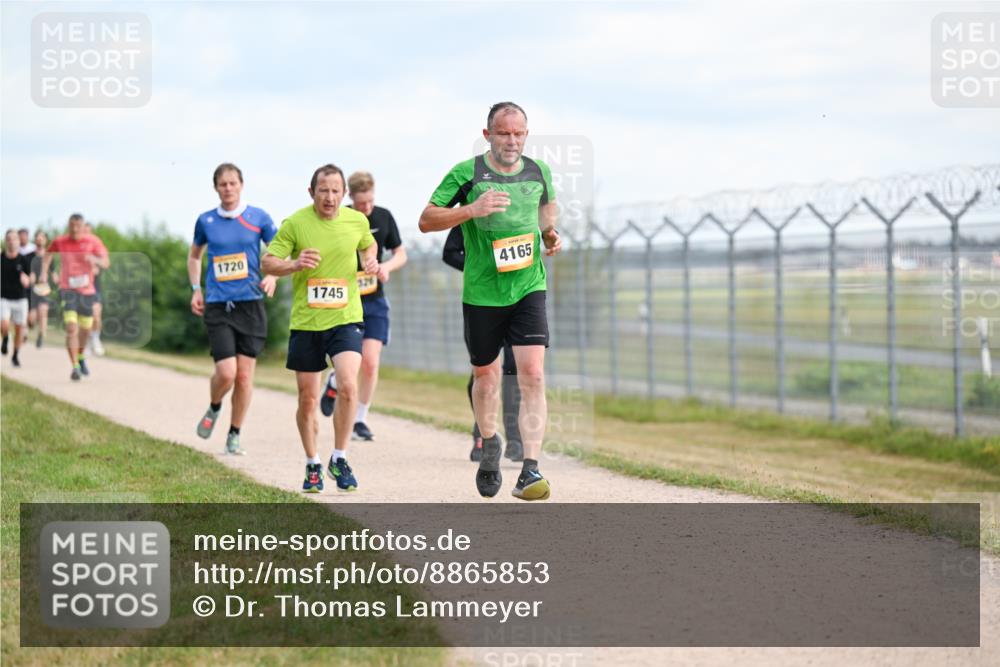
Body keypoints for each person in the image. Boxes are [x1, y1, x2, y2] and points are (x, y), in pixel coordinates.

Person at [419, 101, 561, 501]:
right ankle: (490, 442)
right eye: (504, 133)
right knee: (487, 377)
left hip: (529, 285)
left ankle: (530, 470)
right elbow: (426, 219)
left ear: (526, 135)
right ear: (488, 135)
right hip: (482, 292)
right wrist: (471, 210)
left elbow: (546, 211)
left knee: (532, 374)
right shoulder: (466, 174)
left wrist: (550, 236)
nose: (512, 141)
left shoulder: (539, 172)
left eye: (519, 133)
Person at [262, 164, 378, 493]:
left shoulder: (356, 220)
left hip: (345, 317)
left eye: (335, 191)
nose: (329, 197)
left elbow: (368, 244)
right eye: (323, 190)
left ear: (344, 194)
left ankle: (339, 458)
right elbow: (268, 262)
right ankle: (313, 462)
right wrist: (295, 264)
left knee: (347, 385)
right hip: (307, 321)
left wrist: (369, 258)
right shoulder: (295, 224)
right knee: (307, 399)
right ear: (311, 192)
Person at [189, 163, 279, 456]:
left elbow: (280, 249)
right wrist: (196, 289)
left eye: (232, 183)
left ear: (241, 185)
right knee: (226, 373)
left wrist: (273, 275)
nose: (228, 188)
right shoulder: (206, 221)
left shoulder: (258, 218)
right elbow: (194, 257)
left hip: (250, 303)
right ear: (215, 188)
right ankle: (215, 406)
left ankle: (234, 434)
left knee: (243, 377)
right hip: (217, 303)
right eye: (222, 184)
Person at [319, 171, 407, 442]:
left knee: (370, 363)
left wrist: (385, 267)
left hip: (375, 300)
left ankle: (360, 419)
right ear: (350, 199)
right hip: (345, 301)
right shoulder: (340, 218)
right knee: (350, 363)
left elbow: (400, 253)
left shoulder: (383, 216)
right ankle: (334, 382)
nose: (366, 208)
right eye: (361, 204)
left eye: (370, 202)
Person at [442, 225, 523, 462]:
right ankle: (483, 434)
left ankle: (515, 440)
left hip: (517, 298)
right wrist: (480, 267)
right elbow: (450, 252)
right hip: (482, 301)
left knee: (513, 369)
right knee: (485, 372)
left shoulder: (519, 210)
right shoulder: (473, 211)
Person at [40, 213, 110, 381]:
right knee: (71, 327)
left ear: (82, 226)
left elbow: (106, 262)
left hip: (87, 291)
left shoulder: (93, 241)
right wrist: (44, 273)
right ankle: (75, 367)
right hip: (67, 289)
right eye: (71, 225)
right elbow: (48, 254)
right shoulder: (60, 241)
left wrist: (94, 259)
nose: (74, 229)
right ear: (68, 225)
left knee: (85, 329)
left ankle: (80, 356)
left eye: (78, 226)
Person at [1, 230, 33, 367]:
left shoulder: (23, 260)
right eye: (9, 239)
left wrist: (27, 279)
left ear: (18, 242)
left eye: (14, 239)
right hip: (4, 298)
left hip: (20, 299)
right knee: (4, 324)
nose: (11, 241)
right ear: (6, 241)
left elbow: (31, 277)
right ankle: (6, 338)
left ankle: (15, 355)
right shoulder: (1, 258)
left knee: (20, 330)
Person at [83, 223, 106, 356]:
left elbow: (105, 262)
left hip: (94, 288)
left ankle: (95, 339)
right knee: (85, 319)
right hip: (79, 289)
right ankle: (86, 343)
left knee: (96, 316)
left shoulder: (96, 247)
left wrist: (96, 263)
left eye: (88, 232)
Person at [28, 231, 52, 348]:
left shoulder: (49, 256)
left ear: (46, 240)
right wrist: (29, 276)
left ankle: (41, 336)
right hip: (31, 290)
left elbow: (53, 271)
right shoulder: (29, 255)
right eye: (38, 237)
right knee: (31, 319)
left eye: (42, 237)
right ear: (35, 240)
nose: (40, 239)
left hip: (43, 288)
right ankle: (31, 325)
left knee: (43, 312)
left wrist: (55, 278)